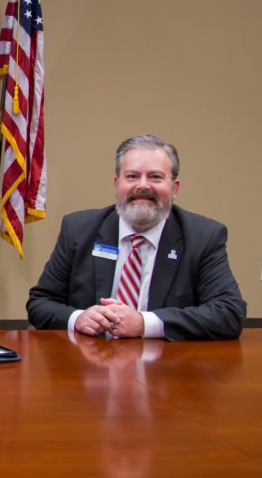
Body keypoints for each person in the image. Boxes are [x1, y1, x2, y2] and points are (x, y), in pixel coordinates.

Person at [27, 135, 245, 341]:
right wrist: (77, 319)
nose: (142, 185)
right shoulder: (78, 229)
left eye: (155, 176)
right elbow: (40, 303)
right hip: (88, 368)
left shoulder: (203, 237)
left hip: (168, 371)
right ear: (116, 184)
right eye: (132, 176)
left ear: (174, 188)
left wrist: (144, 323)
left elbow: (229, 313)